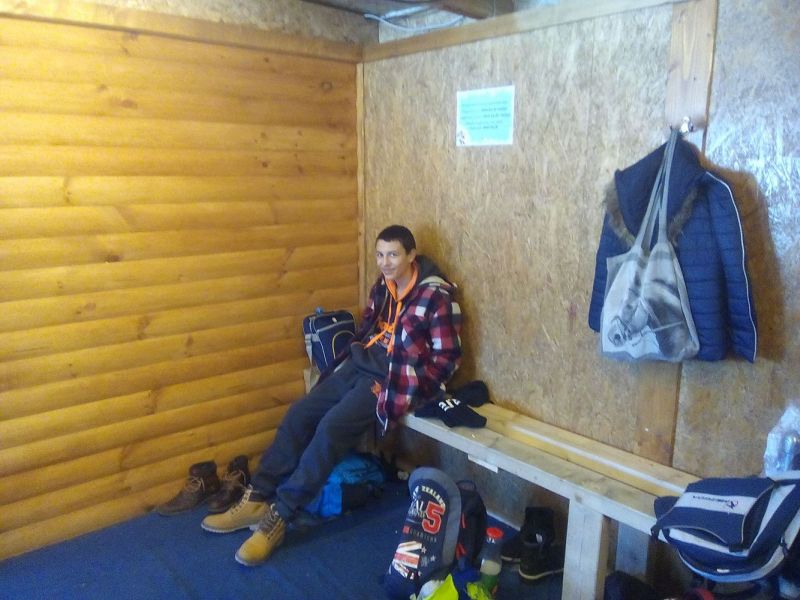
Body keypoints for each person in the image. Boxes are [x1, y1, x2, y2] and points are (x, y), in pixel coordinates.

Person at [201, 224, 463, 566]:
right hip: (360, 364)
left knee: (331, 428)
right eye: (380, 255)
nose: (385, 262)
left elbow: (448, 358)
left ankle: (280, 516)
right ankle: (257, 498)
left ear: (412, 256)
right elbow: (370, 326)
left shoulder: (436, 296)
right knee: (300, 414)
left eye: (393, 255)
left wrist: (412, 385)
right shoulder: (383, 286)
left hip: (392, 378)